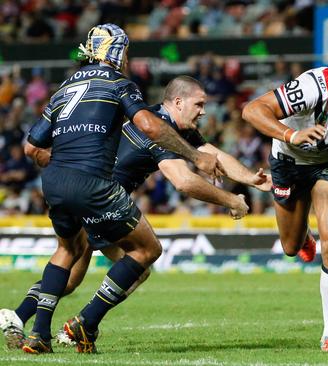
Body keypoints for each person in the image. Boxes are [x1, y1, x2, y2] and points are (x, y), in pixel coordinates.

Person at [0, 75, 271, 350]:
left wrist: (252, 179)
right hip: (102, 197)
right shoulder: (159, 131)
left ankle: (20, 318)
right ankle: (83, 324)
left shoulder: (157, 119)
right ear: (178, 102)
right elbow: (184, 181)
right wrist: (231, 201)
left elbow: (214, 154)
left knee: (70, 274)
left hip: (79, 188)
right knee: (141, 259)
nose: (203, 111)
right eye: (199, 104)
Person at [13, 24, 220, 354]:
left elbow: (30, 148)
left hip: (53, 181)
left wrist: (65, 154)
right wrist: (195, 155)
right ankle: (87, 322)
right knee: (147, 249)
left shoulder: (64, 88)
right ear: (116, 52)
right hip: (92, 182)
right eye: (125, 51)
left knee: (67, 251)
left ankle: (39, 334)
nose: (126, 57)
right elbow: (150, 125)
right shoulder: (119, 83)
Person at [242, 52, 328, 352]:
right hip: (288, 158)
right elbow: (252, 111)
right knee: (291, 247)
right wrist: (292, 134)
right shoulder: (313, 86)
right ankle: (302, 233)